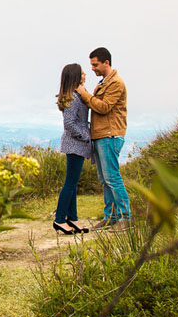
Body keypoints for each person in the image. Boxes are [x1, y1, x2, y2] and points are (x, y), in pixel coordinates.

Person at [76, 47, 130, 230]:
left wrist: (83, 93)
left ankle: (126, 218)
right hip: (101, 136)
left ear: (106, 62)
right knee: (104, 179)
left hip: (110, 135)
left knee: (112, 177)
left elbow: (104, 107)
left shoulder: (116, 83)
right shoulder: (104, 83)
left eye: (95, 64)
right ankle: (111, 216)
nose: (92, 68)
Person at [53, 63, 92, 235]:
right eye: (82, 73)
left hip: (77, 144)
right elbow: (69, 123)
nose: (85, 75)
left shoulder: (76, 95)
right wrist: (85, 135)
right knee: (70, 183)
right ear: (75, 77)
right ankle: (60, 219)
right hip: (75, 144)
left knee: (73, 183)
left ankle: (73, 218)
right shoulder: (73, 98)